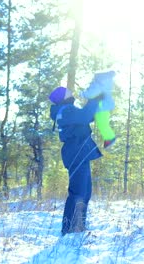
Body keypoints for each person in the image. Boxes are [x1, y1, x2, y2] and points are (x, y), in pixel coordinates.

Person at [49, 86, 102, 236]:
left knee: (85, 192)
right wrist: (93, 98)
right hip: (76, 151)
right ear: (62, 96)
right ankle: (69, 229)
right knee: (78, 192)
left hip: (79, 151)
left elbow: (88, 116)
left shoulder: (68, 110)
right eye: (67, 91)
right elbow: (85, 116)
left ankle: (78, 227)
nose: (71, 92)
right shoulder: (65, 111)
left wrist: (96, 100)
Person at [79, 70, 116, 149]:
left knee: (102, 123)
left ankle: (110, 137)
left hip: (101, 107)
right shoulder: (105, 85)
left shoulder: (99, 84)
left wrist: (83, 94)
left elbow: (91, 94)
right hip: (102, 107)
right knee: (102, 123)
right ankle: (108, 138)